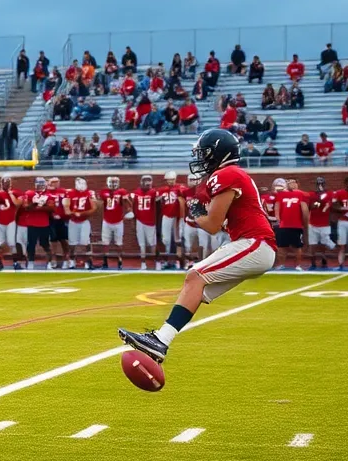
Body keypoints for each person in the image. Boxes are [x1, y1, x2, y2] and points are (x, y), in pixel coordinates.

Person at [119, 130, 276, 365]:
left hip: (255, 243)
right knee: (196, 287)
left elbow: (212, 225)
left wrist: (197, 214)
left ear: (218, 153)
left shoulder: (227, 174)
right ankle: (161, 340)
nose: (201, 158)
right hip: (252, 244)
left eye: (205, 153)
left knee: (195, 276)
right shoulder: (233, 175)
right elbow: (224, 223)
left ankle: (160, 340)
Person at [274, 178, 309, 270]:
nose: (291, 183)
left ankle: (298, 265)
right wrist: (278, 219)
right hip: (283, 225)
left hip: (296, 225)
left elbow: (304, 209)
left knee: (297, 246)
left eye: (293, 182)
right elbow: (277, 206)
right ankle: (281, 264)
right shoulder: (281, 194)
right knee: (282, 246)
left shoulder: (301, 194)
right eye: (289, 182)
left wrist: (305, 223)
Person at [64, 178, 97, 270]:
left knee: (86, 242)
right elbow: (66, 209)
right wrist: (72, 212)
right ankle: (71, 262)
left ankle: (88, 262)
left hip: (84, 221)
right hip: (73, 221)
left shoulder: (89, 193)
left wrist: (82, 213)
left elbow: (94, 208)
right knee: (72, 243)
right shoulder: (70, 193)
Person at [305, 177, 336, 270]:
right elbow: (310, 207)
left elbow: (332, 206)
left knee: (323, 244)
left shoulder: (329, 194)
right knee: (313, 244)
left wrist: (323, 200)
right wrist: (317, 201)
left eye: (322, 184)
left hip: (325, 223)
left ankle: (324, 260)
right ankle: (313, 263)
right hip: (313, 223)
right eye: (319, 184)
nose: (320, 186)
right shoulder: (311, 194)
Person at [98, 176, 129, 270]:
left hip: (118, 221)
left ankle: (120, 261)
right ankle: (105, 261)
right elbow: (100, 203)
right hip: (107, 221)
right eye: (111, 182)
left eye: (115, 182)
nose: (113, 184)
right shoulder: (103, 192)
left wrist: (129, 210)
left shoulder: (122, 192)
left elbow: (127, 203)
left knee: (119, 243)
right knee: (105, 242)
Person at [132, 175, 158, 270]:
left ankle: (156, 262)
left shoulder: (154, 192)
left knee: (152, 243)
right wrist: (133, 220)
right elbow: (133, 206)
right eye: (145, 180)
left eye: (148, 180)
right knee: (141, 244)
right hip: (139, 220)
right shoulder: (136, 193)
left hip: (150, 221)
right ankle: (143, 263)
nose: (147, 183)